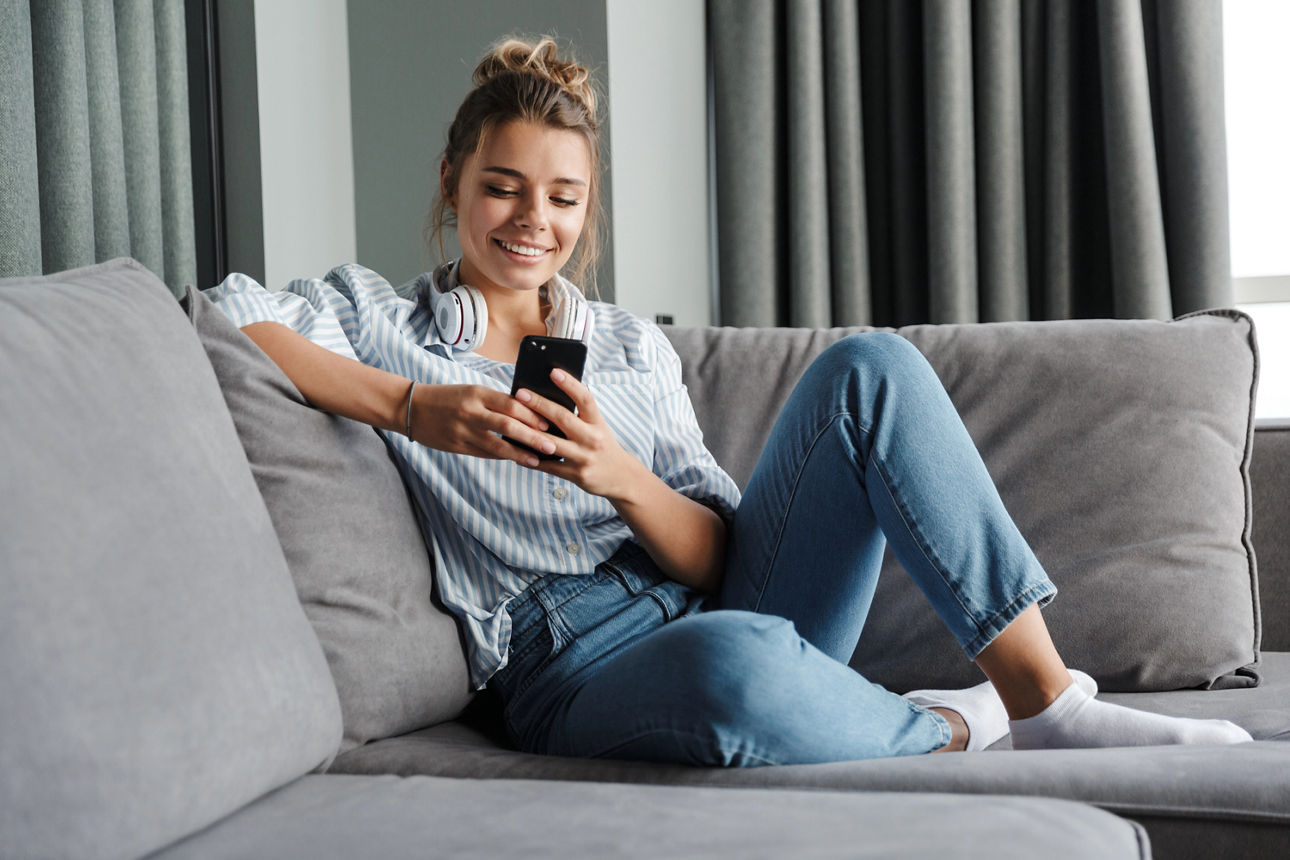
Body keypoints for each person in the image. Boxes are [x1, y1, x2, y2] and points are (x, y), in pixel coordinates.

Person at [207, 36, 1252, 764]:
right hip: (568, 657)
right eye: (502, 186)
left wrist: (621, 477)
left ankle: (1047, 698)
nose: (532, 219)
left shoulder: (624, 344)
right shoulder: (380, 319)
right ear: (452, 183)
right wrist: (410, 406)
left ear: (586, 208)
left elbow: (716, 551)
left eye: (563, 197)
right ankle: (951, 724)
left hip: (719, 593)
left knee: (870, 367)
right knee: (735, 664)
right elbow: (232, 311)